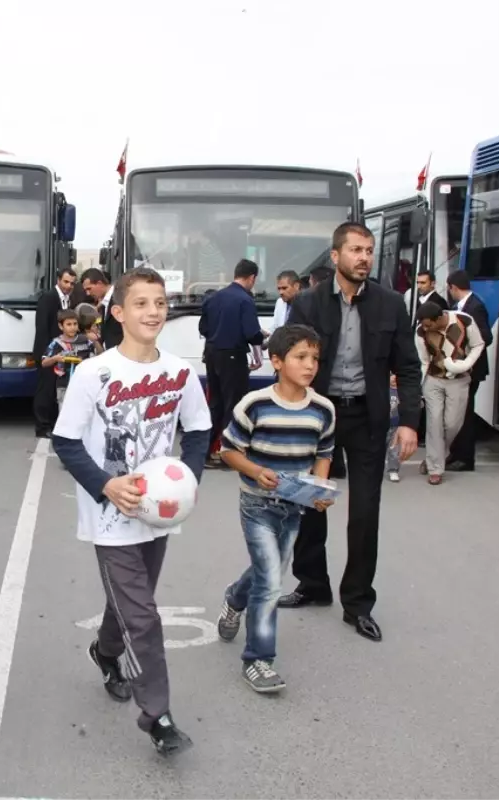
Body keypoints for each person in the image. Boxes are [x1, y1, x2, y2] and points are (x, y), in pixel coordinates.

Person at [51, 267, 212, 755]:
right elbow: (66, 441)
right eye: (141, 303)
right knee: (143, 616)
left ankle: (105, 650)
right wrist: (105, 485)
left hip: (159, 513)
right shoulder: (93, 373)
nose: (153, 312)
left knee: (128, 605)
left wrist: (187, 482)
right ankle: (157, 715)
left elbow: (200, 432)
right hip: (110, 515)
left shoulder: (181, 371)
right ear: (117, 312)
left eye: (160, 303)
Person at [278, 222, 422, 643]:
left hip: (366, 419)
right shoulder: (306, 304)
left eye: (369, 250)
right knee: (309, 504)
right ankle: (313, 584)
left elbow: (408, 367)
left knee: (364, 514)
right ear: (336, 256)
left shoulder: (390, 305)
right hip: (318, 418)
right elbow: (290, 357)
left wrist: (409, 422)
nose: (364, 257)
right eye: (356, 250)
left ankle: (357, 603)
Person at [215, 324, 335, 694]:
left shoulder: (322, 409)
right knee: (270, 582)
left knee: (265, 570)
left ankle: (234, 599)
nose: (310, 365)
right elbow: (227, 450)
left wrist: (319, 488)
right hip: (256, 504)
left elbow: (324, 453)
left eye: (315, 358)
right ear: (277, 361)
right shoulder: (255, 404)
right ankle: (259, 660)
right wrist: (256, 470)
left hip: (294, 507)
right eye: (301, 357)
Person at [200, 259, 266, 469]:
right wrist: (265, 338)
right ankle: (228, 453)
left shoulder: (214, 298)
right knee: (234, 405)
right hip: (233, 356)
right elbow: (251, 334)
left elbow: (204, 328)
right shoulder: (244, 300)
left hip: (211, 354)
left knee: (215, 404)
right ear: (252, 278)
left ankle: (205, 451)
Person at [415, 301, 485, 484]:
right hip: (433, 381)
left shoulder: (464, 321)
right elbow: (423, 361)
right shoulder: (420, 332)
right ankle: (435, 468)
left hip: (459, 381)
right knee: (434, 422)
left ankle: (439, 454)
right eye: (423, 324)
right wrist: (417, 388)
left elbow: (478, 345)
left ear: (439, 319)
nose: (425, 327)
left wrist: (466, 364)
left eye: (429, 324)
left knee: (452, 424)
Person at [445, 270, 493, 471]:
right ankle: (455, 453)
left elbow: (486, 337)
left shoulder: (475, 307)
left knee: (464, 414)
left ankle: (466, 459)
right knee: (457, 413)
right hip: (460, 369)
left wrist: (465, 348)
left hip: (472, 369)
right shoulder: (459, 307)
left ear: (453, 288)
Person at [32, 266, 78, 437]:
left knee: (56, 390)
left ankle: (52, 424)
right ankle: (42, 427)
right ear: (58, 280)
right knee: (45, 390)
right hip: (49, 351)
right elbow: (42, 327)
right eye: (66, 282)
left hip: (63, 351)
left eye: (72, 283)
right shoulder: (48, 298)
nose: (68, 286)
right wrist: (46, 353)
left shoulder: (69, 298)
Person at [41, 309, 100, 410]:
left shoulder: (84, 340)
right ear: (61, 326)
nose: (72, 327)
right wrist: (56, 358)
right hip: (64, 385)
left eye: (75, 324)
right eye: (68, 324)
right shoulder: (57, 343)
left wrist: (95, 341)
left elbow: (99, 355)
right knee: (65, 414)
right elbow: (44, 363)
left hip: (83, 385)